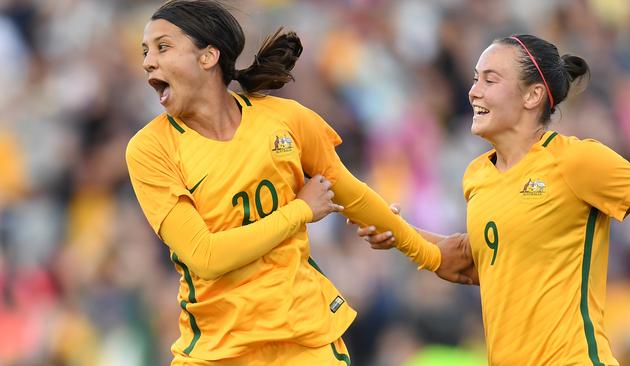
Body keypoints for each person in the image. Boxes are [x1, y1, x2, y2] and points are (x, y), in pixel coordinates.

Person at [126, 1, 470, 364]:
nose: (148, 61)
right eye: (145, 51)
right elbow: (205, 256)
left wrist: (429, 254)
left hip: (305, 339)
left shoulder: (286, 119)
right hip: (217, 348)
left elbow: (351, 193)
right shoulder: (150, 150)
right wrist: (300, 211)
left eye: (163, 47)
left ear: (209, 56)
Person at [355, 34, 630, 366]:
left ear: (532, 95)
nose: (473, 91)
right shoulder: (477, 175)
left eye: (490, 80)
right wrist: (395, 230)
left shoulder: (577, 160)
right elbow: (472, 260)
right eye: (475, 79)